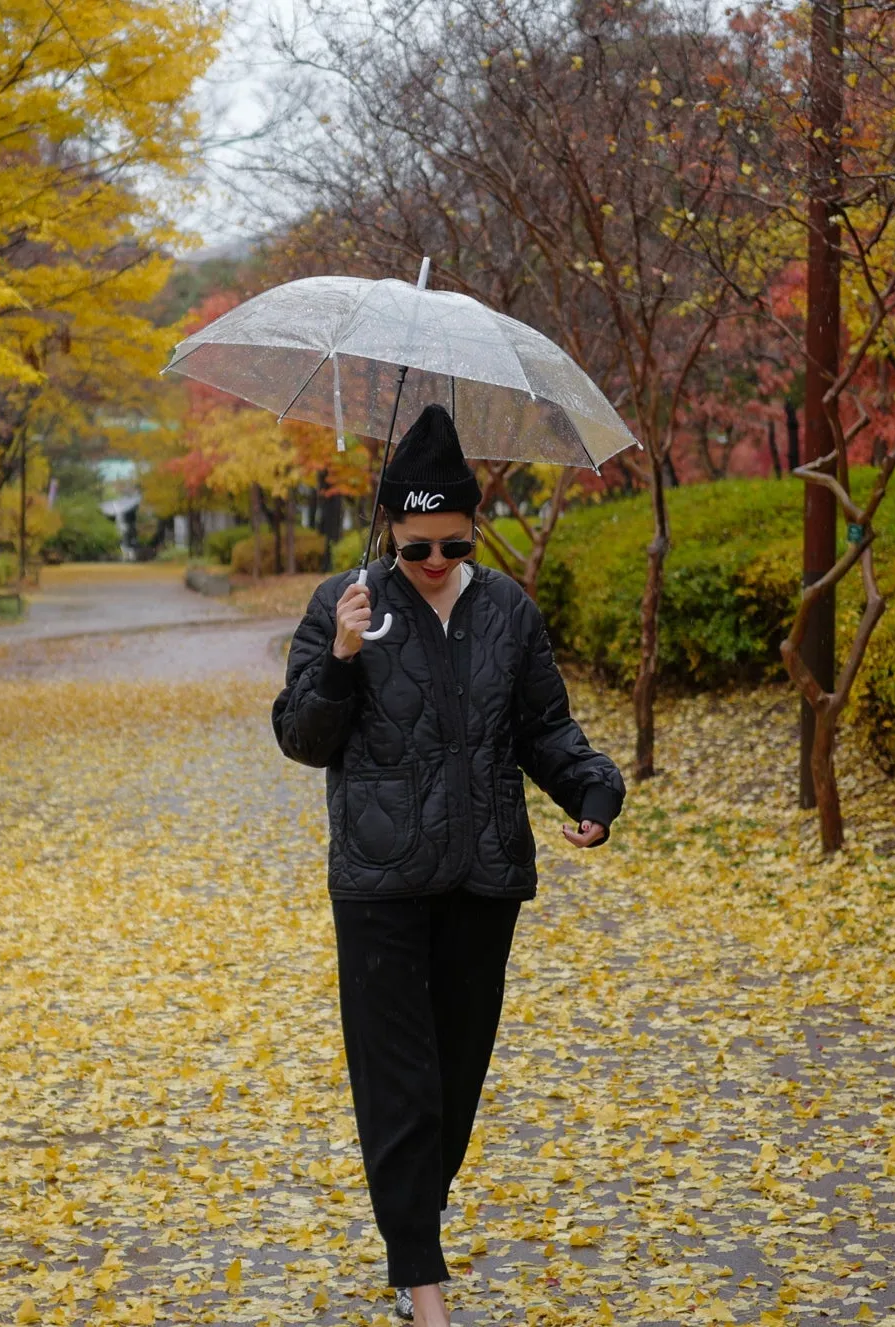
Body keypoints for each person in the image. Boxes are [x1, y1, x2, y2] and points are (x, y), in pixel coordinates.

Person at [271, 403, 625, 1326]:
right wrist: (344, 654)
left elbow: (543, 727)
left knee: (455, 1083)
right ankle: (424, 1290)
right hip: (380, 883)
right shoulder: (343, 604)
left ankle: (408, 1240)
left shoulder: (505, 608)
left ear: (473, 529)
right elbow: (303, 738)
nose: (436, 561)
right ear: (391, 527)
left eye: (455, 544)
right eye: (420, 543)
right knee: (400, 1083)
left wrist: (591, 790)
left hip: (483, 878)